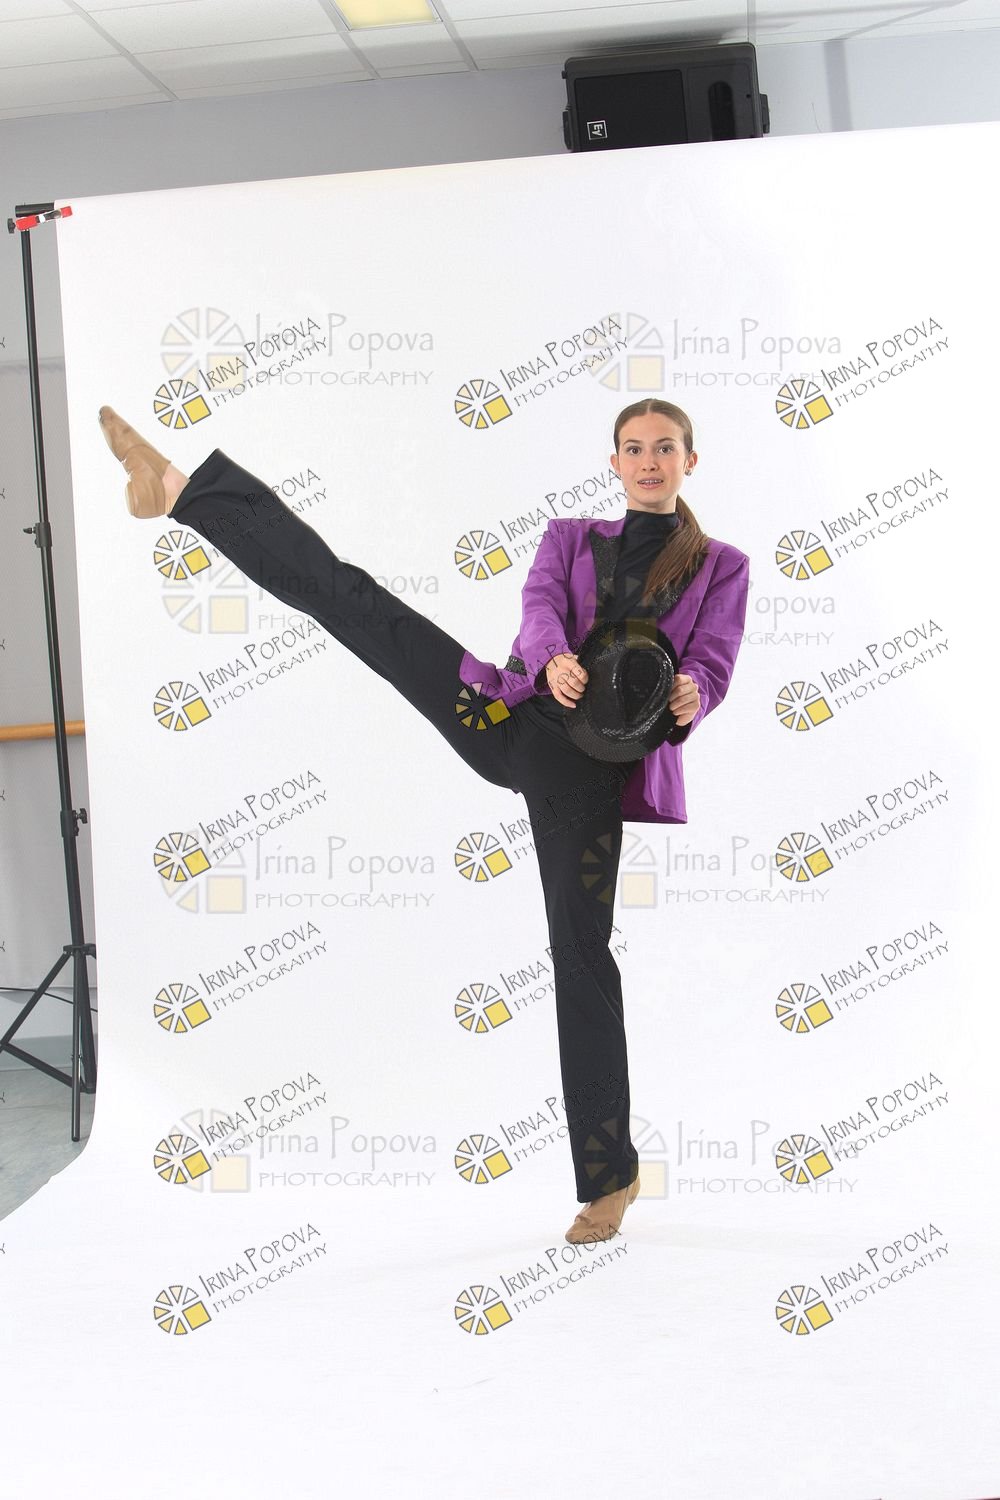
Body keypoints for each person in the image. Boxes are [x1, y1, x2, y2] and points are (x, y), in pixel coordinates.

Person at [97, 397, 750, 1245]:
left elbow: (712, 660)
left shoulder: (720, 565)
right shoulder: (568, 537)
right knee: (359, 605)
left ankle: (609, 1177)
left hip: (590, 775)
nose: (649, 462)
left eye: (665, 448)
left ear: (690, 461)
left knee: (581, 958)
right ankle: (184, 491)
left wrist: (696, 690)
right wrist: (551, 657)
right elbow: (540, 609)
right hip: (509, 715)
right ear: (615, 462)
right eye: (634, 448)